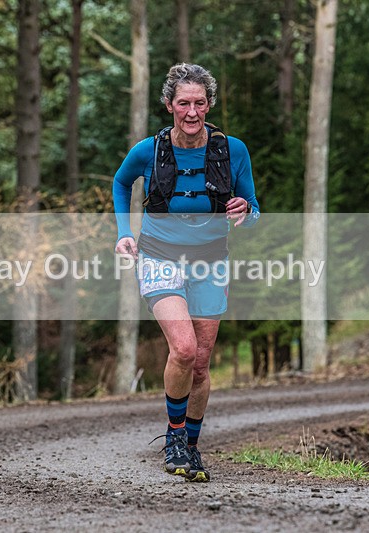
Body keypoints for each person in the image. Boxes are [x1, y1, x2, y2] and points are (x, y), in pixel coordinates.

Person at [113, 63, 259, 482]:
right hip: (159, 256)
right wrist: (126, 233)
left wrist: (245, 211)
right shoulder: (149, 150)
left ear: (209, 104)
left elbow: (253, 210)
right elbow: (121, 184)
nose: (191, 112)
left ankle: (190, 446)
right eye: (183, 103)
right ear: (169, 105)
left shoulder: (234, 150)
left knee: (200, 364)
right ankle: (175, 439)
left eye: (199, 103)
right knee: (184, 349)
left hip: (211, 260)